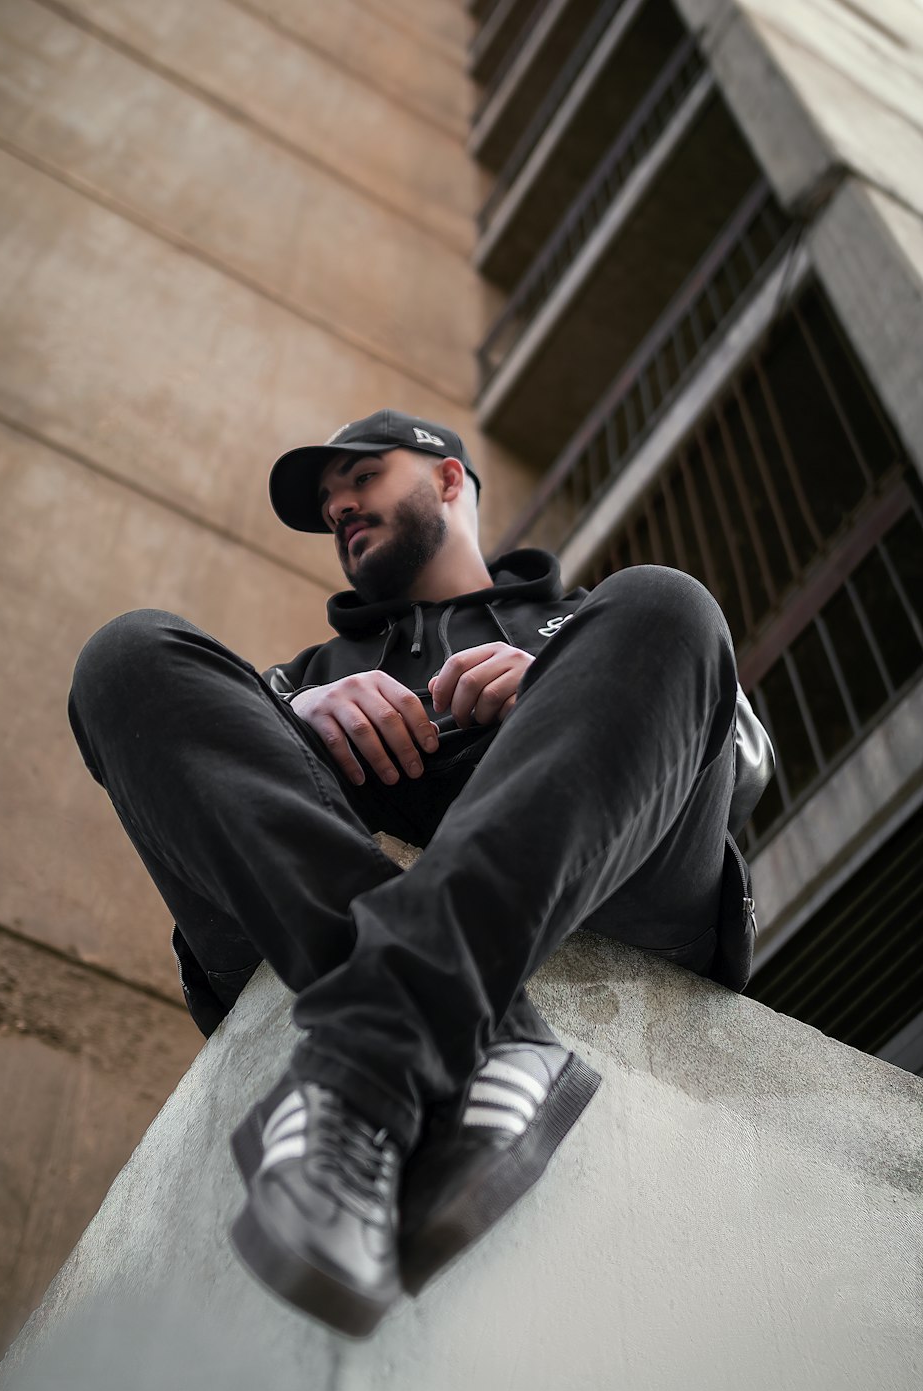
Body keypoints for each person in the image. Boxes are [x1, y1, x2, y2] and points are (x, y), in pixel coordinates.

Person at [68, 409, 774, 1338]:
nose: (338, 508)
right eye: (326, 503)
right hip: (321, 873)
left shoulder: (586, 614)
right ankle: (454, 1031)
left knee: (667, 602)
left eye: (358, 475)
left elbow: (747, 769)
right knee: (127, 655)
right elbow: (208, 787)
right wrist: (297, 714)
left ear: (448, 480)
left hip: (607, 872)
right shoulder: (305, 671)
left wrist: (552, 679)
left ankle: (367, 1065)